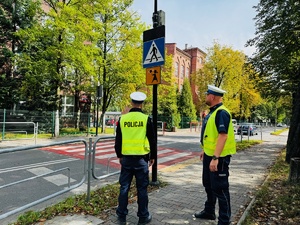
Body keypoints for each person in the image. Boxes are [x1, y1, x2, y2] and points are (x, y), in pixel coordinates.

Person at [194, 85, 236, 225]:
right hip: (209, 155)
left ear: (212, 97)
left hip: (219, 158)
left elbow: (223, 136)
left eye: (207, 95)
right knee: (208, 184)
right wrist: (205, 151)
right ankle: (209, 211)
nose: (205, 97)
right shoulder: (213, 112)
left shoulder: (221, 113)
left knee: (221, 188)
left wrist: (215, 158)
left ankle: (224, 220)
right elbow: (210, 135)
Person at [115, 91, 156, 225]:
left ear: (132, 102)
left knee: (124, 187)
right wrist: (153, 157)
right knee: (142, 188)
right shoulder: (146, 119)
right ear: (142, 104)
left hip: (126, 159)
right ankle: (143, 217)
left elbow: (118, 140)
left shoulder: (123, 119)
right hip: (141, 160)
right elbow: (152, 140)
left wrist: (119, 155)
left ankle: (121, 216)